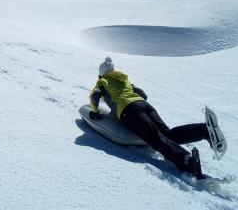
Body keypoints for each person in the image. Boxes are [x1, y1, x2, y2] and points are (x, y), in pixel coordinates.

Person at [89, 57, 223, 178]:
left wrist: (94, 111)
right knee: (167, 133)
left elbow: (94, 96)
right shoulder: (124, 79)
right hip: (145, 105)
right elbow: (143, 94)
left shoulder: (102, 81)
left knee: (155, 139)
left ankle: (187, 162)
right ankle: (204, 130)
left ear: (101, 73)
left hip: (129, 110)